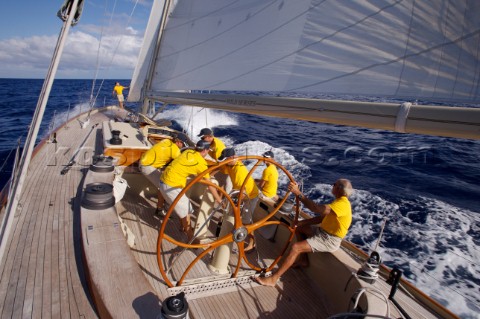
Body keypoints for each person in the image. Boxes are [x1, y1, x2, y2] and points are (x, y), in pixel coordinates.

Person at [255, 179, 353, 286]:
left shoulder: (342, 204)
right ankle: (303, 260)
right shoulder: (338, 202)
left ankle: (273, 279)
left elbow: (316, 208)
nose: (332, 186)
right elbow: (321, 219)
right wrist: (302, 223)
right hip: (322, 231)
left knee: (296, 248)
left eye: (334, 184)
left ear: (339, 188)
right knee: (298, 229)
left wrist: (298, 193)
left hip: (329, 239)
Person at [159, 140, 223, 240]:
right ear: (205, 150)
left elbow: (187, 166)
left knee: (184, 207)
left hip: (163, 182)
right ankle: (190, 236)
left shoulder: (187, 152)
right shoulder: (200, 163)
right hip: (171, 186)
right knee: (187, 210)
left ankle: (182, 227)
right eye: (207, 151)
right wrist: (219, 200)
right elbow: (209, 184)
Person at [218, 147, 259, 252]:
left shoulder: (239, 170)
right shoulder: (229, 164)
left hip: (250, 196)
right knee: (229, 211)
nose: (224, 161)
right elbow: (219, 168)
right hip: (238, 193)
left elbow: (243, 194)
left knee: (246, 221)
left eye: (226, 159)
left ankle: (252, 243)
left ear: (232, 157)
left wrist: (234, 203)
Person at [139, 134, 188, 215]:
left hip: (145, 162)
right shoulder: (175, 151)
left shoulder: (166, 141)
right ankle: (160, 210)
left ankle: (162, 207)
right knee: (163, 186)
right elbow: (181, 163)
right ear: (178, 142)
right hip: (146, 166)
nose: (182, 146)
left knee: (163, 184)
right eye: (182, 144)